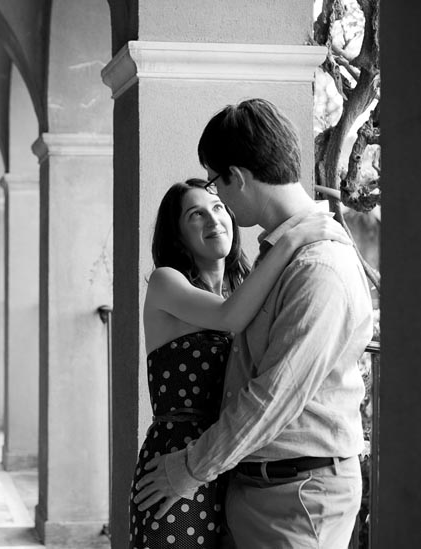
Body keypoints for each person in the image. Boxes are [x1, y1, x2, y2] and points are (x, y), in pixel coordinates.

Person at [133, 98, 373, 548]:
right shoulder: (280, 257)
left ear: (236, 178)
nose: (216, 201)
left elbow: (274, 396)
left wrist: (188, 469)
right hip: (245, 485)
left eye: (215, 186)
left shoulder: (317, 266)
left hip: (295, 496)